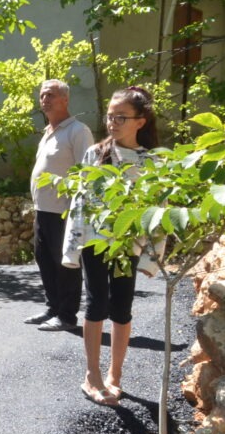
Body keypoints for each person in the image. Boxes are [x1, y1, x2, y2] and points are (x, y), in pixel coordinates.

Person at [63, 85, 160, 407]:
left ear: (140, 121)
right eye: (110, 116)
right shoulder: (96, 154)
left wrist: (151, 259)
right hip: (96, 243)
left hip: (127, 246)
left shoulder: (152, 162)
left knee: (121, 308)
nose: (113, 122)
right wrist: (71, 249)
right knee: (96, 304)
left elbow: (157, 213)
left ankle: (115, 375)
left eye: (121, 117)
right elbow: (81, 203)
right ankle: (92, 375)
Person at [26, 80, 93, 332]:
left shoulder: (78, 131)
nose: (45, 99)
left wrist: (80, 208)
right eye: (42, 95)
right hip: (43, 210)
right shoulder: (48, 132)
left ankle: (66, 315)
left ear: (65, 99)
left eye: (51, 95)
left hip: (65, 211)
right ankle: (52, 308)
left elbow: (87, 171)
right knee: (44, 259)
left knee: (65, 263)